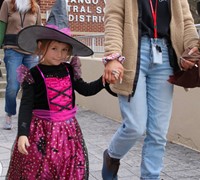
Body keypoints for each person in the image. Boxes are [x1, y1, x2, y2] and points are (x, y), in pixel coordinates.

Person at [6, 0, 115, 179]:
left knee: (68, 168)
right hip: (42, 135)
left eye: (64, 49)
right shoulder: (33, 74)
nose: (60, 54)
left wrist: (103, 81)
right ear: (41, 46)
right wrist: (23, 134)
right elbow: (26, 105)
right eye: (54, 48)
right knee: (42, 170)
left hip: (68, 134)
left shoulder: (69, 69)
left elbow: (85, 89)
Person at [101, 0, 199, 180]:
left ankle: (151, 177)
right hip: (133, 53)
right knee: (134, 126)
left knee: (158, 132)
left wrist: (192, 48)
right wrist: (113, 55)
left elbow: (186, 20)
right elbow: (114, 17)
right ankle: (111, 156)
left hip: (165, 55)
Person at [0, 0, 41, 130]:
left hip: (31, 51)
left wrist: (41, 51)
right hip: (12, 49)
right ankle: (9, 114)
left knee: (32, 85)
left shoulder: (36, 7)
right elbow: (1, 28)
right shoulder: (7, 4)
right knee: (13, 85)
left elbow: (39, 30)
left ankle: (31, 116)